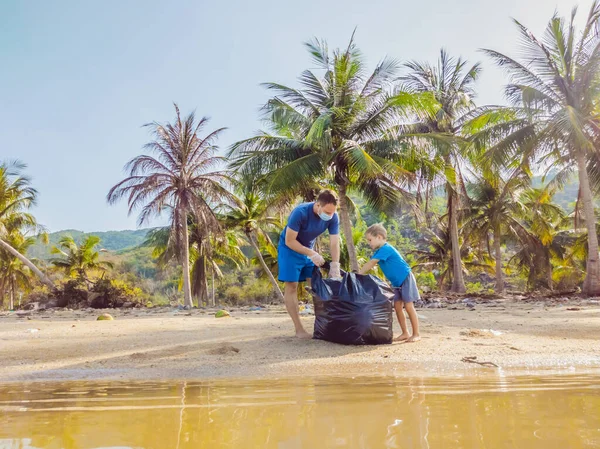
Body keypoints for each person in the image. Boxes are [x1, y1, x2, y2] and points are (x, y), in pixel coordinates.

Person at [278, 190, 341, 338]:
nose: (329, 215)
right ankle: (299, 329)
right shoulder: (300, 213)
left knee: (316, 285)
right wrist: (311, 253)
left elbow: (334, 242)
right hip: (290, 249)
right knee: (292, 285)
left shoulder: (333, 217)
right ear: (317, 205)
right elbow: (290, 241)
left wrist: (335, 265)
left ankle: (324, 325)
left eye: (332, 212)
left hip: (309, 249)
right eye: (327, 212)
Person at [359, 223, 421, 342]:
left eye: (370, 240)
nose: (369, 243)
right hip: (396, 282)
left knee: (408, 306)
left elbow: (371, 263)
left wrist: (359, 273)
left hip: (405, 278)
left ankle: (416, 334)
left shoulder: (386, 248)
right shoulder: (378, 252)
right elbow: (371, 262)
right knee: (397, 307)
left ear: (380, 237)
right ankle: (405, 333)